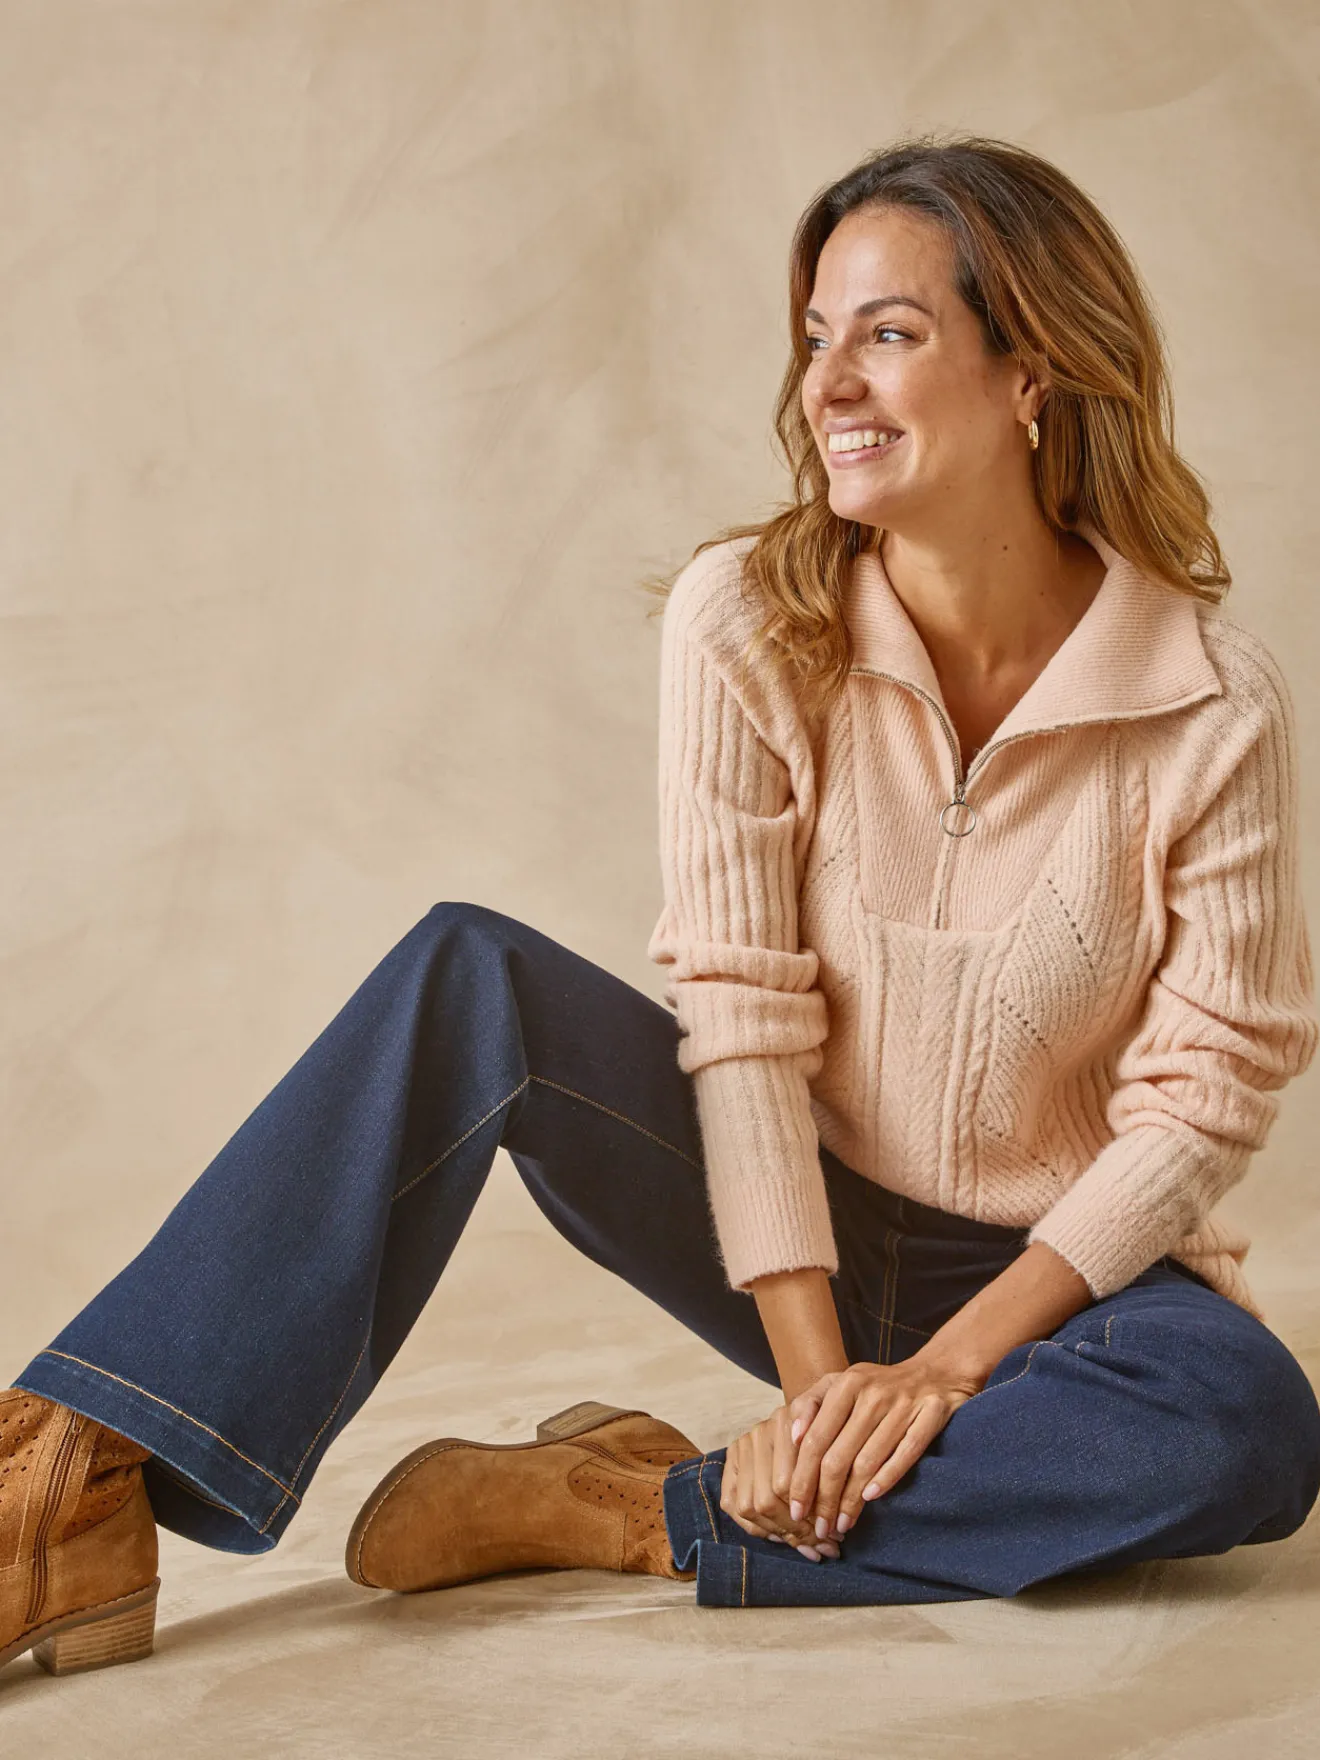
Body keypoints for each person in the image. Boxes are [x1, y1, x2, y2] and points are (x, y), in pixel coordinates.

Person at [5, 129, 1320, 1676]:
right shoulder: (751, 619)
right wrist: (819, 1386)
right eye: (817, 338)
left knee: (1246, 1427)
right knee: (470, 979)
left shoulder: (1209, 703)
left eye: (890, 335)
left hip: (1056, 1277)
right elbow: (743, 1021)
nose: (830, 384)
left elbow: (1205, 1091)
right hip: (798, 1218)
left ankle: (636, 1508)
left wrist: (948, 1373)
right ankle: (75, 1479)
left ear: (1031, 371)